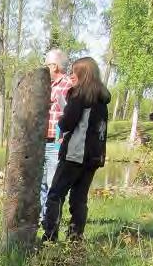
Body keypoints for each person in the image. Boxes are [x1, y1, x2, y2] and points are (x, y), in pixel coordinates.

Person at [42, 56, 111, 243]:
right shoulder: (102, 100)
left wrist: (61, 121)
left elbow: (67, 123)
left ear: (83, 75)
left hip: (75, 154)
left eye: (75, 72)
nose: (72, 76)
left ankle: (49, 237)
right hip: (94, 158)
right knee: (79, 199)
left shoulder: (80, 95)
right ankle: (75, 239)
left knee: (55, 194)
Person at [41, 49, 72, 221]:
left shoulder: (68, 85)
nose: (45, 69)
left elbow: (71, 113)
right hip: (41, 142)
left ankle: (51, 223)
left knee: (54, 185)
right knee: (41, 184)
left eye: (47, 65)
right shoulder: (46, 84)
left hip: (56, 143)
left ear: (54, 66)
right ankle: (40, 218)